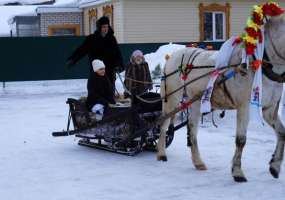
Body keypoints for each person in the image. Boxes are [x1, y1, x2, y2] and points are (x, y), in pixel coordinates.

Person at [67, 16, 124, 94]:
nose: (105, 29)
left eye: (107, 26)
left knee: (109, 91)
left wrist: (119, 64)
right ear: (99, 27)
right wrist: (73, 59)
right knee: (96, 90)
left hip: (109, 70)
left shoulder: (112, 39)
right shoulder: (92, 39)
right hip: (97, 70)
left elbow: (117, 53)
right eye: (103, 27)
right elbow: (82, 50)